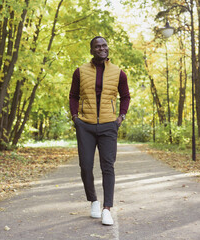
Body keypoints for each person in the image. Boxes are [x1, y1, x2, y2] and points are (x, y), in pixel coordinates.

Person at [69, 36, 130, 225]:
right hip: (85, 125)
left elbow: (126, 97)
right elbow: (73, 96)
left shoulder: (119, 73)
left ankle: (107, 209)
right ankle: (94, 200)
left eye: (104, 45)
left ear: (108, 48)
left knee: (108, 167)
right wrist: (75, 118)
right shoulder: (80, 72)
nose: (101, 48)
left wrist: (120, 117)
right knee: (85, 166)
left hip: (109, 125)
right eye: (97, 46)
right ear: (91, 50)